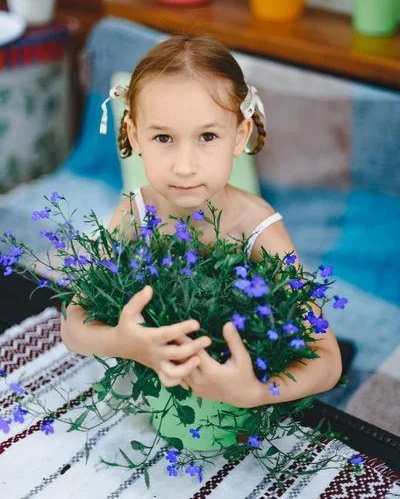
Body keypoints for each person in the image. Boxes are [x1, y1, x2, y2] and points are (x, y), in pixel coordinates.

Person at [61, 35, 342, 409]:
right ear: (133, 135)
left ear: (240, 136)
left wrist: (257, 392)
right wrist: (120, 342)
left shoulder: (258, 227)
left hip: (229, 412)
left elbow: (327, 359)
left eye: (208, 136)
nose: (185, 165)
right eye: (163, 137)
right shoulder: (136, 211)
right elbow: (72, 325)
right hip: (160, 403)